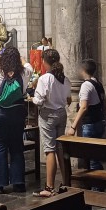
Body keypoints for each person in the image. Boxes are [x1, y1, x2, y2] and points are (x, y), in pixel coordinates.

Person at [0, 45, 32, 194]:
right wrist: (21, 59)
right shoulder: (25, 72)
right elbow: (28, 65)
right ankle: (19, 183)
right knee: (17, 147)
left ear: (1, 59)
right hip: (17, 113)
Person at [31, 49, 72, 197]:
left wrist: (32, 99)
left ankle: (49, 188)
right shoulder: (64, 79)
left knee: (50, 150)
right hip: (62, 113)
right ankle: (66, 183)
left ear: (45, 61)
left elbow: (39, 100)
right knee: (61, 148)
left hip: (48, 115)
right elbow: (69, 99)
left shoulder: (45, 78)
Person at [67, 60, 106, 172]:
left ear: (83, 70)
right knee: (95, 156)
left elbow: (84, 107)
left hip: (90, 124)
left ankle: (97, 187)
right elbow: (104, 105)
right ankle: (99, 183)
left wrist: (73, 126)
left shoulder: (86, 85)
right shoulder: (98, 83)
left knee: (92, 159)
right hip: (99, 121)